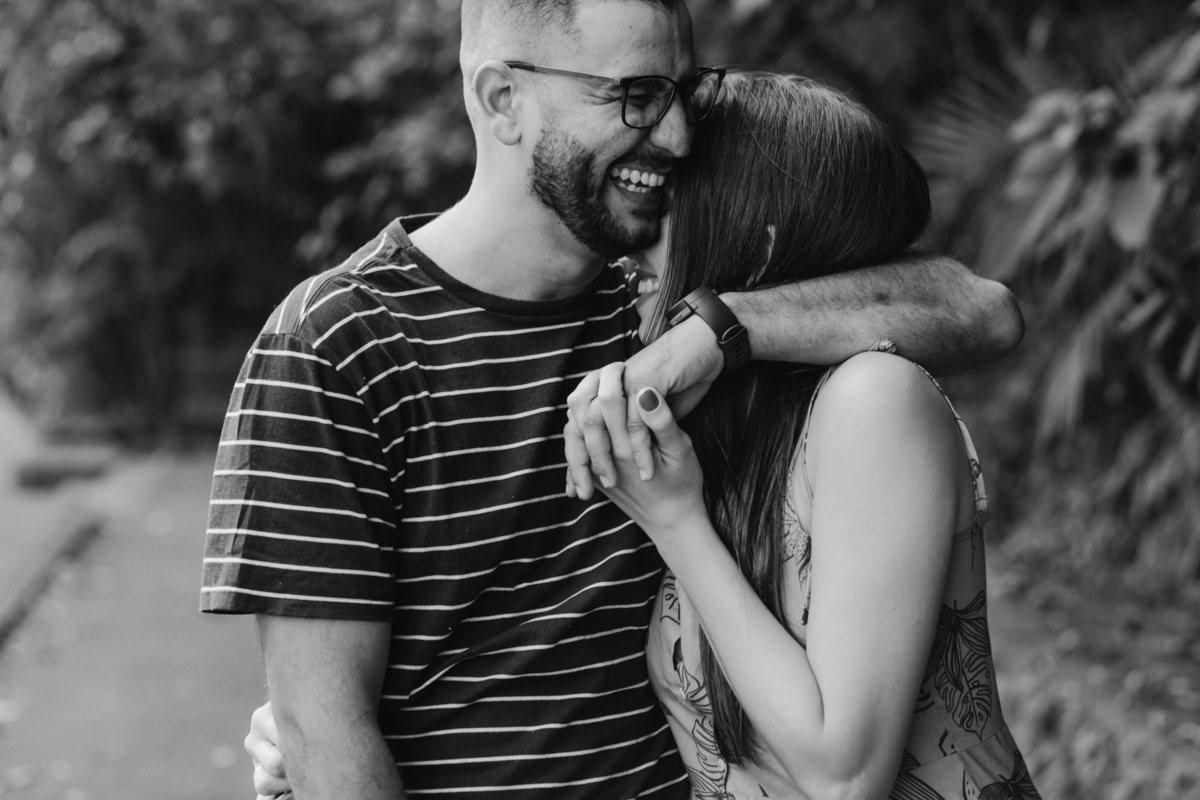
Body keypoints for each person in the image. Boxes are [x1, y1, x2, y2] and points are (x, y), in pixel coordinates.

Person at [205, 2, 1022, 799]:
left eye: (679, 92)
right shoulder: (339, 343)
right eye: (633, 94)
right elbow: (325, 730)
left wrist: (721, 329)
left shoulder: (664, 308)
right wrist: (303, 744)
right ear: (502, 99)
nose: (674, 136)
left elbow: (982, 308)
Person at [566, 72, 1041, 798]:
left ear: (756, 247)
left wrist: (674, 520)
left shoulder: (872, 403)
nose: (634, 245)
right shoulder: (732, 432)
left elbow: (843, 777)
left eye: (668, 211)